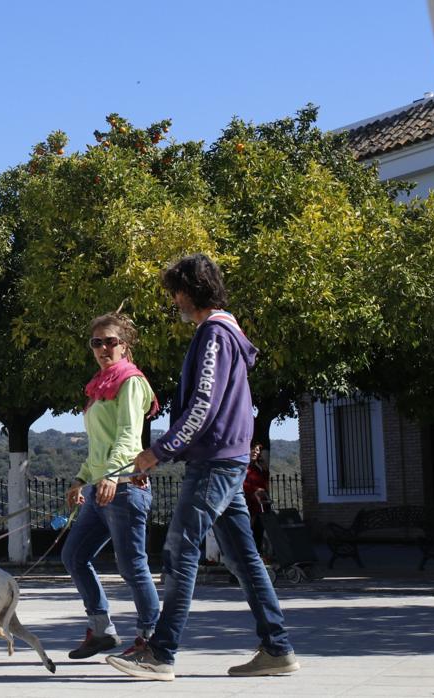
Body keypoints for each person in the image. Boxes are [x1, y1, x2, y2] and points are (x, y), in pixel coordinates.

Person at [107, 254, 299, 681]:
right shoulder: (226, 333)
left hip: (214, 462)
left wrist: (161, 449)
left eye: (176, 291)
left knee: (179, 550)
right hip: (225, 459)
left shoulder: (213, 334)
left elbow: (202, 405)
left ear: (192, 291)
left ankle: (161, 653)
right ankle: (278, 648)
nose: (174, 300)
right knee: (243, 558)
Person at [61, 313, 161, 660]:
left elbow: (128, 436)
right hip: (100, 488)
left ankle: (150, 638)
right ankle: (101, 630)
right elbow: (98, 447)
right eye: (97, 342)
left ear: (125, 344)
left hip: (124, 486)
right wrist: (80, 479)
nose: (103, 348)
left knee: (132, 565)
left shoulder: (131, 382)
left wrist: (114, 474)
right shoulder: (99, 386)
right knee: (73, 555)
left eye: (111, 341)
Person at [243, 440, 271, 553]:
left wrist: (265, 470)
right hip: (247, 506)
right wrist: (255, 490)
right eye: (253, 448)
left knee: (257, 533)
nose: (255, 451)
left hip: (258, 507)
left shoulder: (257, 469)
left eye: (258, 450)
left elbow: (263, 485)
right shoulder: (243, 467)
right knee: (246, 534)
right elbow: (241, 484)